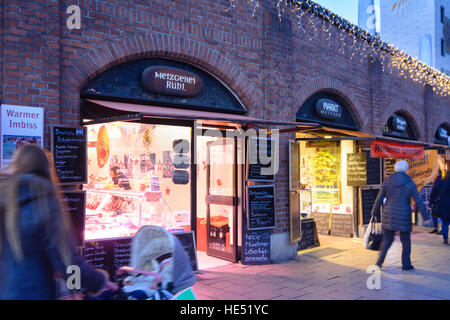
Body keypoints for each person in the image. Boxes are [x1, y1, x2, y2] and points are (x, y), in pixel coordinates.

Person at [0, 144, 113, 299]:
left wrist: (74, 290)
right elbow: (65, 259)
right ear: (46, 168)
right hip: (35, 293)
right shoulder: (45, 202)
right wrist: (94, 282)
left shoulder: (5, 199)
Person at [371, 160, 430, 271]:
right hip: (404, 215)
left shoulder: (387, 181)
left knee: (387, 240)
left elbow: (379, 197)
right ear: (406, 169)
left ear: (395, 168)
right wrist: (426, 216)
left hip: (389, 214)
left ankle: (379, 262)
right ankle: (406, 264)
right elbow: (418, 200)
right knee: (406, 240)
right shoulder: (409, 182)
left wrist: (374, 212)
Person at [433, 172, 450, 245]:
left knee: (445, 222)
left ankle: (445, 238)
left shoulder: (441, 183)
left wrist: (431, 203)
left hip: (443, 205)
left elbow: (434, 193)